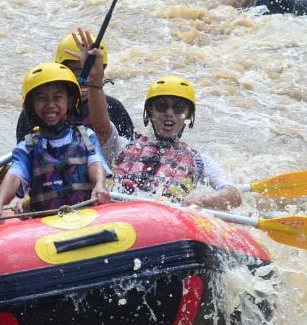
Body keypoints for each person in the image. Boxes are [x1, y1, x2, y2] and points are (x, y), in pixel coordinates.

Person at [72, 28, 242, 210]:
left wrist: (204, 200)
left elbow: (232, 194)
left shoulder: (200, 160)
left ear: (188, 116)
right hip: (119, 215)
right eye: (161, 106)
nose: (169, 113)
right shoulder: (121, 146)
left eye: (178, 108)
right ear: (150, 112)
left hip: (167, 222)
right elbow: (101, 126)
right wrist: (96, 80)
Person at [0, 62, 111, 226]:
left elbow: (95, 161)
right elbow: (15, 175)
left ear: (70, 102)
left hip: (87, 219)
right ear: (31, 106)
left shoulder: (85, 136)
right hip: (45, 229)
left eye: (57, 98)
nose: (50, 105)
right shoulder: (27, 147)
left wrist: (100, 185)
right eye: (42, 99)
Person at [14, 31, 134, 146]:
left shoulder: (113, 108)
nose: (85, 79)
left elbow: (123, 150)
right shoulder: (35, 112)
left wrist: (95, 80)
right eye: (77, 72)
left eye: (90, 71)